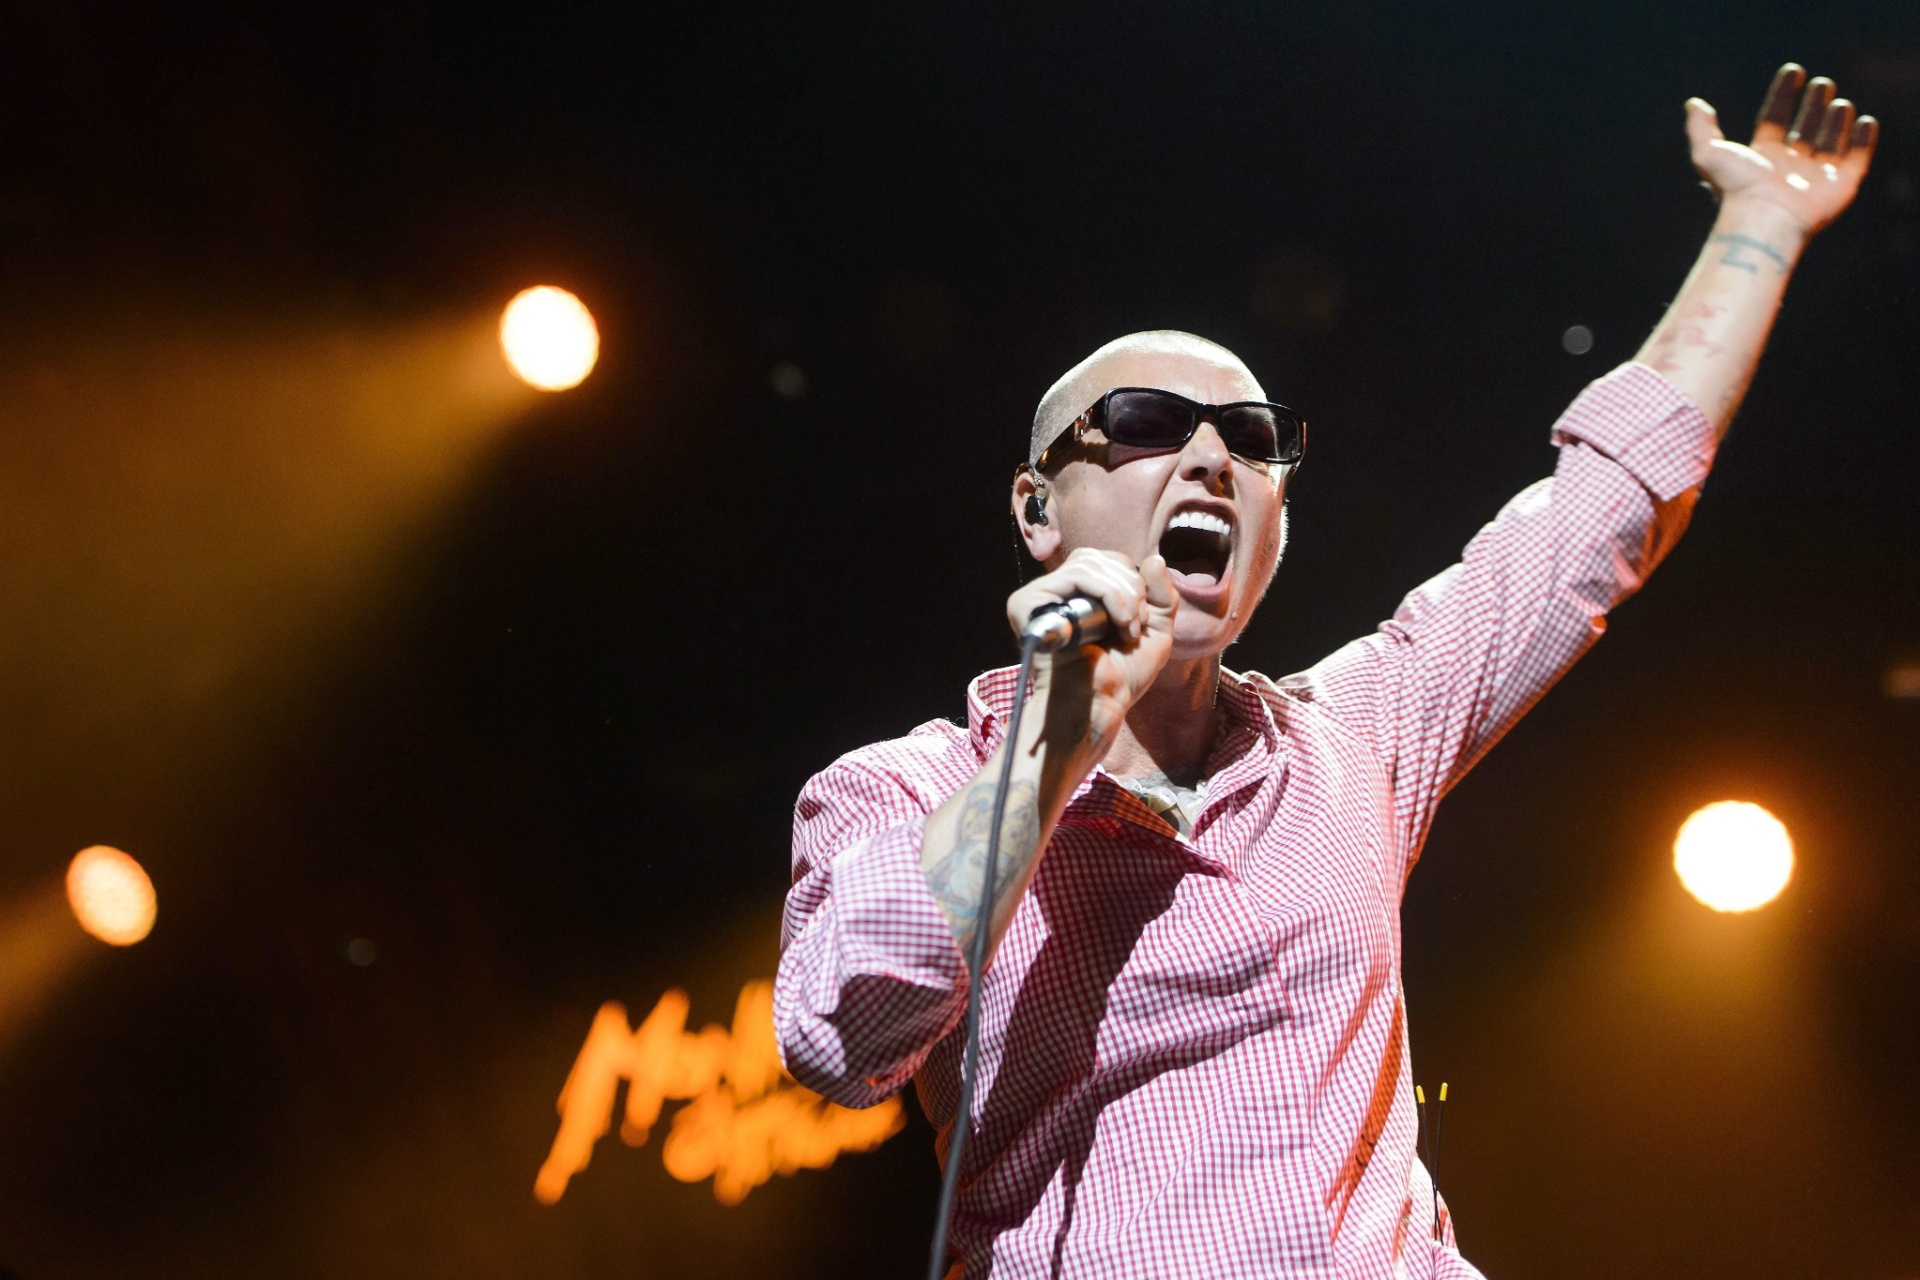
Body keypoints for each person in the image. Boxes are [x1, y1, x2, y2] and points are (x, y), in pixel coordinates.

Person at [772, 65, 1877, 1279]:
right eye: (1145, 421)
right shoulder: (905, 784)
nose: (1207, 455)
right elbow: (841, 1035)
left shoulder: (1358, 731)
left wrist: (1761, 221)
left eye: (1252, 439)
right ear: (1039, 509)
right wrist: (1060, 736)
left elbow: (1597, 510)